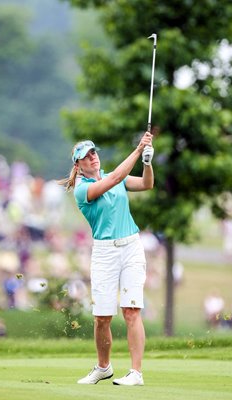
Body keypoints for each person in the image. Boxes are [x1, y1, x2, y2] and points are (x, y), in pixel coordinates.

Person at [59, 131, 154, 386]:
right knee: (102, 316)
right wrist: (136, 150)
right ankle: (103, 367)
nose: (93, 158)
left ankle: (136, 373)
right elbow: (115, 178)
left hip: (132, 247)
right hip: (104, 252)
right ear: (77, 166)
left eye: (94, 153)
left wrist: (146, 162)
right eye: (86, 157)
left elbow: (146, 184)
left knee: (132, 310)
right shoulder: (82, 190)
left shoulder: (117, 177)